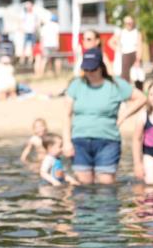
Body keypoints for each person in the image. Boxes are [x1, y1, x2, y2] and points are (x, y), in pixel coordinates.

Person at [62, 47, 146, 185]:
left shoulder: (115, 84)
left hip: (108, 141)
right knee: (83, 187)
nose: (89, 73)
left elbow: (141, 98)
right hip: (80, 141)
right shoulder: (76, 85)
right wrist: (66, 142)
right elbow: (66, 115)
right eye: (86, 69)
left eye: (93, 69)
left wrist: (123, 115)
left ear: (101, 66)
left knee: (106, 185)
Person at [109, 15, 142, 84]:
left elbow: (139, 47)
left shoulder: (137, 33)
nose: (129, 24)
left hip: (134, 54)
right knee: (125, 76)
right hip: (125, 55)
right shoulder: (121, 32)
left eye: (130, 23)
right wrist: (118, 49)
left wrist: (138, 59)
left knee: (137, 77)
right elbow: (110, 42)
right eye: (127, 23)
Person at [21, 1, 38, 67]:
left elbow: (36, 23)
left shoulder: (34, 14)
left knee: (32, 47)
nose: (28, 8)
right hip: (26, 32)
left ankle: (30, 60)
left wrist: (35, 29)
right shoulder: (24, 14)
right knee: (24, 47)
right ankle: (22, 60)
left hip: (32, 32)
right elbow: (21, 22)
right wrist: (23, 29)